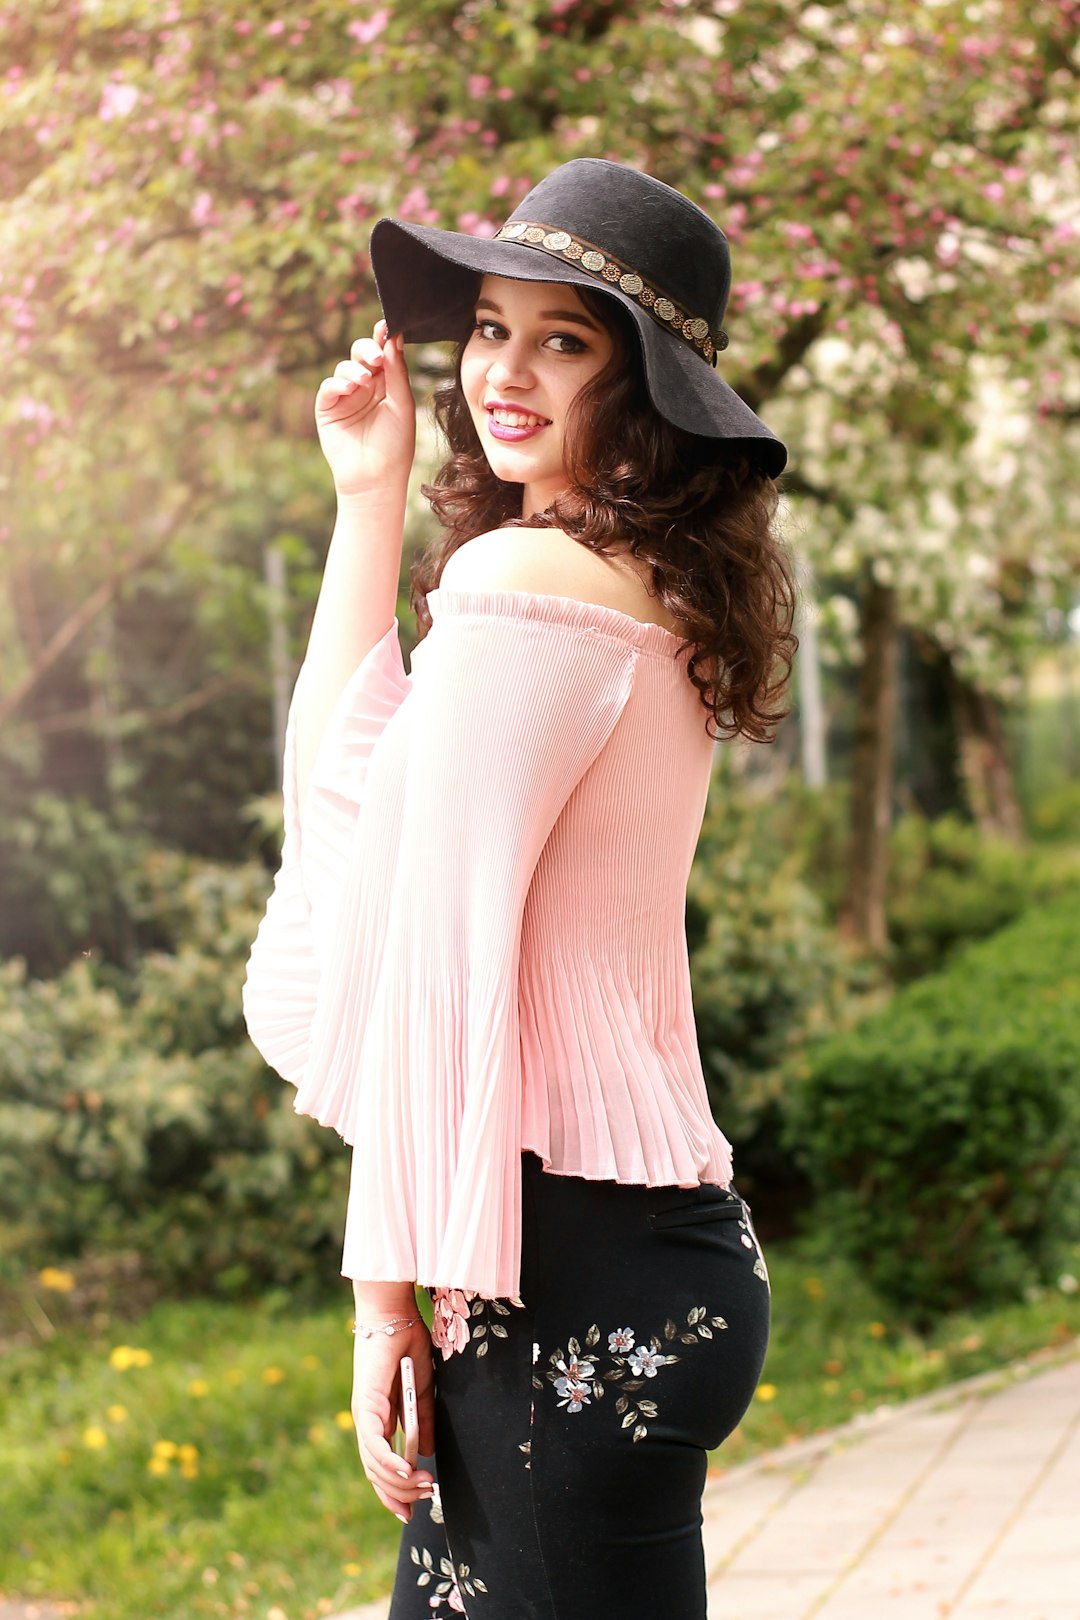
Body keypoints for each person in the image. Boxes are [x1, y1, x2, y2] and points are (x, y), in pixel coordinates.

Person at [243, 157, 794, 1619]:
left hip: (564, 1275)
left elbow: (428, 955)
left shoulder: (525, 585)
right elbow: (358, 794)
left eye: (566, 339)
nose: (505, 369)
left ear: (651, 386)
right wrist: (370, 496)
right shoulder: (648, 587)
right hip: (636, 1253)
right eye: (490, 325)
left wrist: (380, 1302)